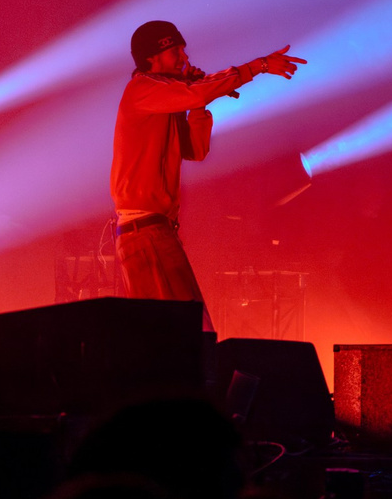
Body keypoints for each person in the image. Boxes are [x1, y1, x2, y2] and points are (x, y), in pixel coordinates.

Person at [113, 20, 304, 309]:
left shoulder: (165, 95)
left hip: (154, 229)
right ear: (153, 56)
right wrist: (258, 66)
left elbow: (196, 150)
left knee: (171, 333)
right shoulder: (142, 89)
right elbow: (199, 92)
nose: (185, 59)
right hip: (145, 230)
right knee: (185, 331)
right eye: (176, 51)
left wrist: (197, 104)